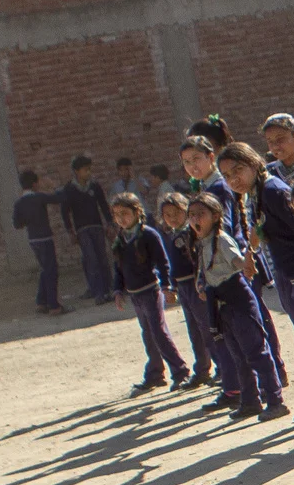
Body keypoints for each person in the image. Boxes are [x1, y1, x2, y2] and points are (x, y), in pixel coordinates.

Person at [222, 139, 294, 424]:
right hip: (289, 274)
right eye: (228, 176)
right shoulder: (256, 194)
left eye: (237, 170)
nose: (234, 180)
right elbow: (263, 228)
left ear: (254, 163)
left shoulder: (275, 191)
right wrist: (252, 251)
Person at [187, 192, 286, 421]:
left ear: (215, 216)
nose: (195, 220)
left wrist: (246, 264)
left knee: (256, 352)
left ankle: (275, 399)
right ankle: (250, 401)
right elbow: (207, 270)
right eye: (191, 215)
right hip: (221, 303)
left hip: (237, 298)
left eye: (201, 214)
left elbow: (237, 262)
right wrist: (203, 285)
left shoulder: (221, 239)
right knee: (237, 355)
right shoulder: (201, 242)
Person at [108, 191, 188, 393]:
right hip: (135, 294)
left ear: (137, 212)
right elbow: (119, 268)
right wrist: (118, 290)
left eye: (125, 213)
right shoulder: (120, 239)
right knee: (148, 334)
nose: (121, 218)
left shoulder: (148, 235)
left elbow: (163, 263)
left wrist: (167, 286)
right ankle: (155, 373)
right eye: (116, 214)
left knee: (159, 332)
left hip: (151, 290)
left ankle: (180, 371)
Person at [159, 193, 217, 388]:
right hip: (183, 287)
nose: (172, 218)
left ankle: (223, 369)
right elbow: (172, 266)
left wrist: (201, 282)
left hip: (195, 284)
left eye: (177, 213)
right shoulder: (171, 235)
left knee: (206, 327)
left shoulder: (191, 234)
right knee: (194, 330)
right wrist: (171, 286)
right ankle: (202, 369)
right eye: (167, 215)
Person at [61, 155, 114, 304]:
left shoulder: (94, 186)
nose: (89, 173)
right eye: (85, 170)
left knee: (103, 258)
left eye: (89, 169)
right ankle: (98, 293)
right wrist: (70, 231)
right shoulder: (70, 189)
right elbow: (65, 212)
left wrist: (109, 223)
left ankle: (108, 290)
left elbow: (103, 205)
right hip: (82, 230)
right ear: (77, 171)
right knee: (91, 260)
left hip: (96, 226)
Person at [13, 169, 66, 316]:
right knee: (51, 270)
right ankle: (54, 305)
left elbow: (17, 224)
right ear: (35, 184)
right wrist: (54, 186)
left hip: (33, 239)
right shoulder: (39, 197)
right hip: (45, 237)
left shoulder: (19, 203)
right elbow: (59, 198)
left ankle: (41, 302)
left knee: (44, 269)